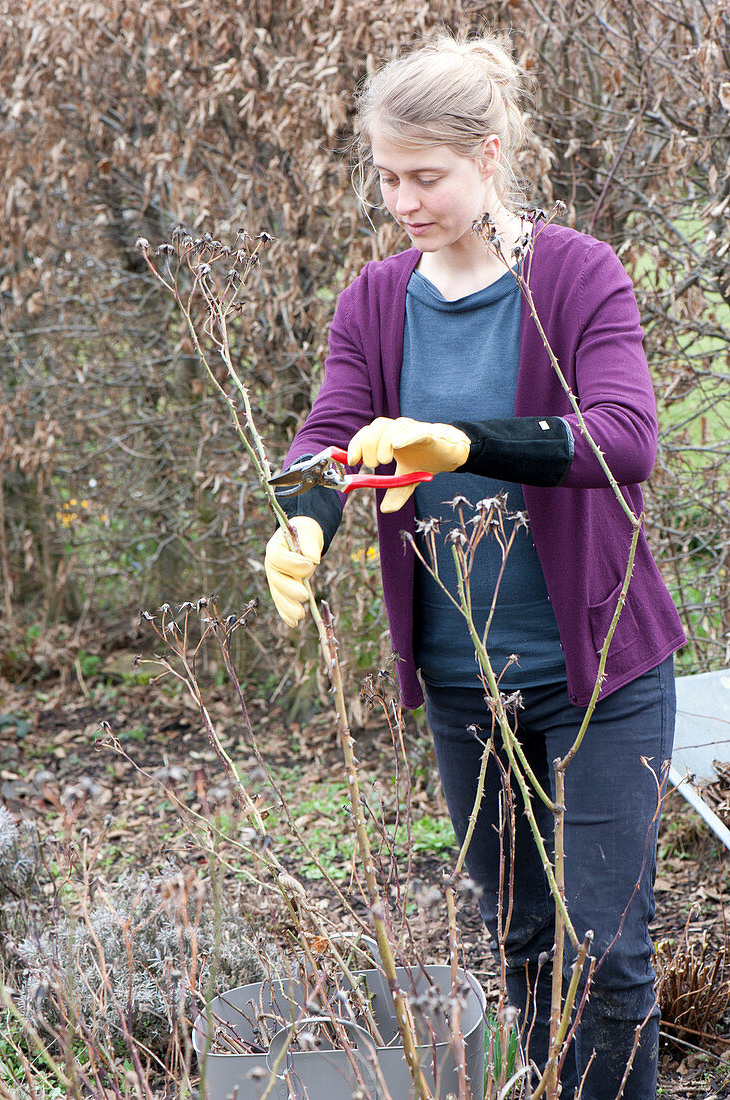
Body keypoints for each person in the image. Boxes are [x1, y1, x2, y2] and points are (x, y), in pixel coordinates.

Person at [264, 31, 686, 1100]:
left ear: (488, 156)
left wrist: (464, 439)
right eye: (386, 176)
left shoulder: (576, 275)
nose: (403, 199)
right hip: (466, 684)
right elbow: (330, 429)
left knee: (608, 953)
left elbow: (627, 439)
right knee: (525, 943)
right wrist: (308, 514)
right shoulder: (374, 297)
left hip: (601, 675)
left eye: (425, 176)